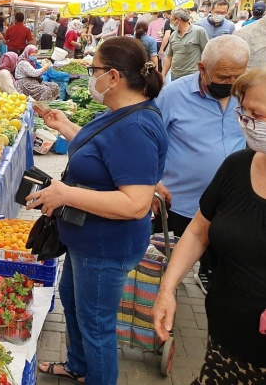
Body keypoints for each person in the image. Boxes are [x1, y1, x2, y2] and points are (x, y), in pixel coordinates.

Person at [30, 36, 168, 385]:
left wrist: (67, 194)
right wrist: (65, 128)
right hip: (87, 240)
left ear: (114, 77)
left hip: (106, 246)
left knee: (96, 326)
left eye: (94, 69)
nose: (90, 76)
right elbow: (103, 156)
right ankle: (78, 367)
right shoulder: (121, 114)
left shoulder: (136, 127)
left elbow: (136, 204)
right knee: (74, 304)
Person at [153, 66, 266, 384]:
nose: (248, 123)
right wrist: (167, 290)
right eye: (244, 113)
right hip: (222, 344)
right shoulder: (237, 167)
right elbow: (199, 230)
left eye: (257, 114)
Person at [153, 35, 249, 295]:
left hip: (230, 204)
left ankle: (209, 275)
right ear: (202, 68)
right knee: (171, 263)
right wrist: (151, 182)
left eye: (236, 77)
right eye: (223, 77)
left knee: (221, 264)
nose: (230, 84)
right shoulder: (173, 95)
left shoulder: (247, 94)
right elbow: (148, 140)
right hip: (181, 203)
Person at [162, 8, 209, 81]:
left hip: (192, 76)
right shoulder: (173, 34)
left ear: (178, 20)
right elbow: (169, 57)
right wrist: (163, 75)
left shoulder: (199, 31)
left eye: (171, 20)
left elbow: (207, 53)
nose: (169, 23)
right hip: (175, 76)